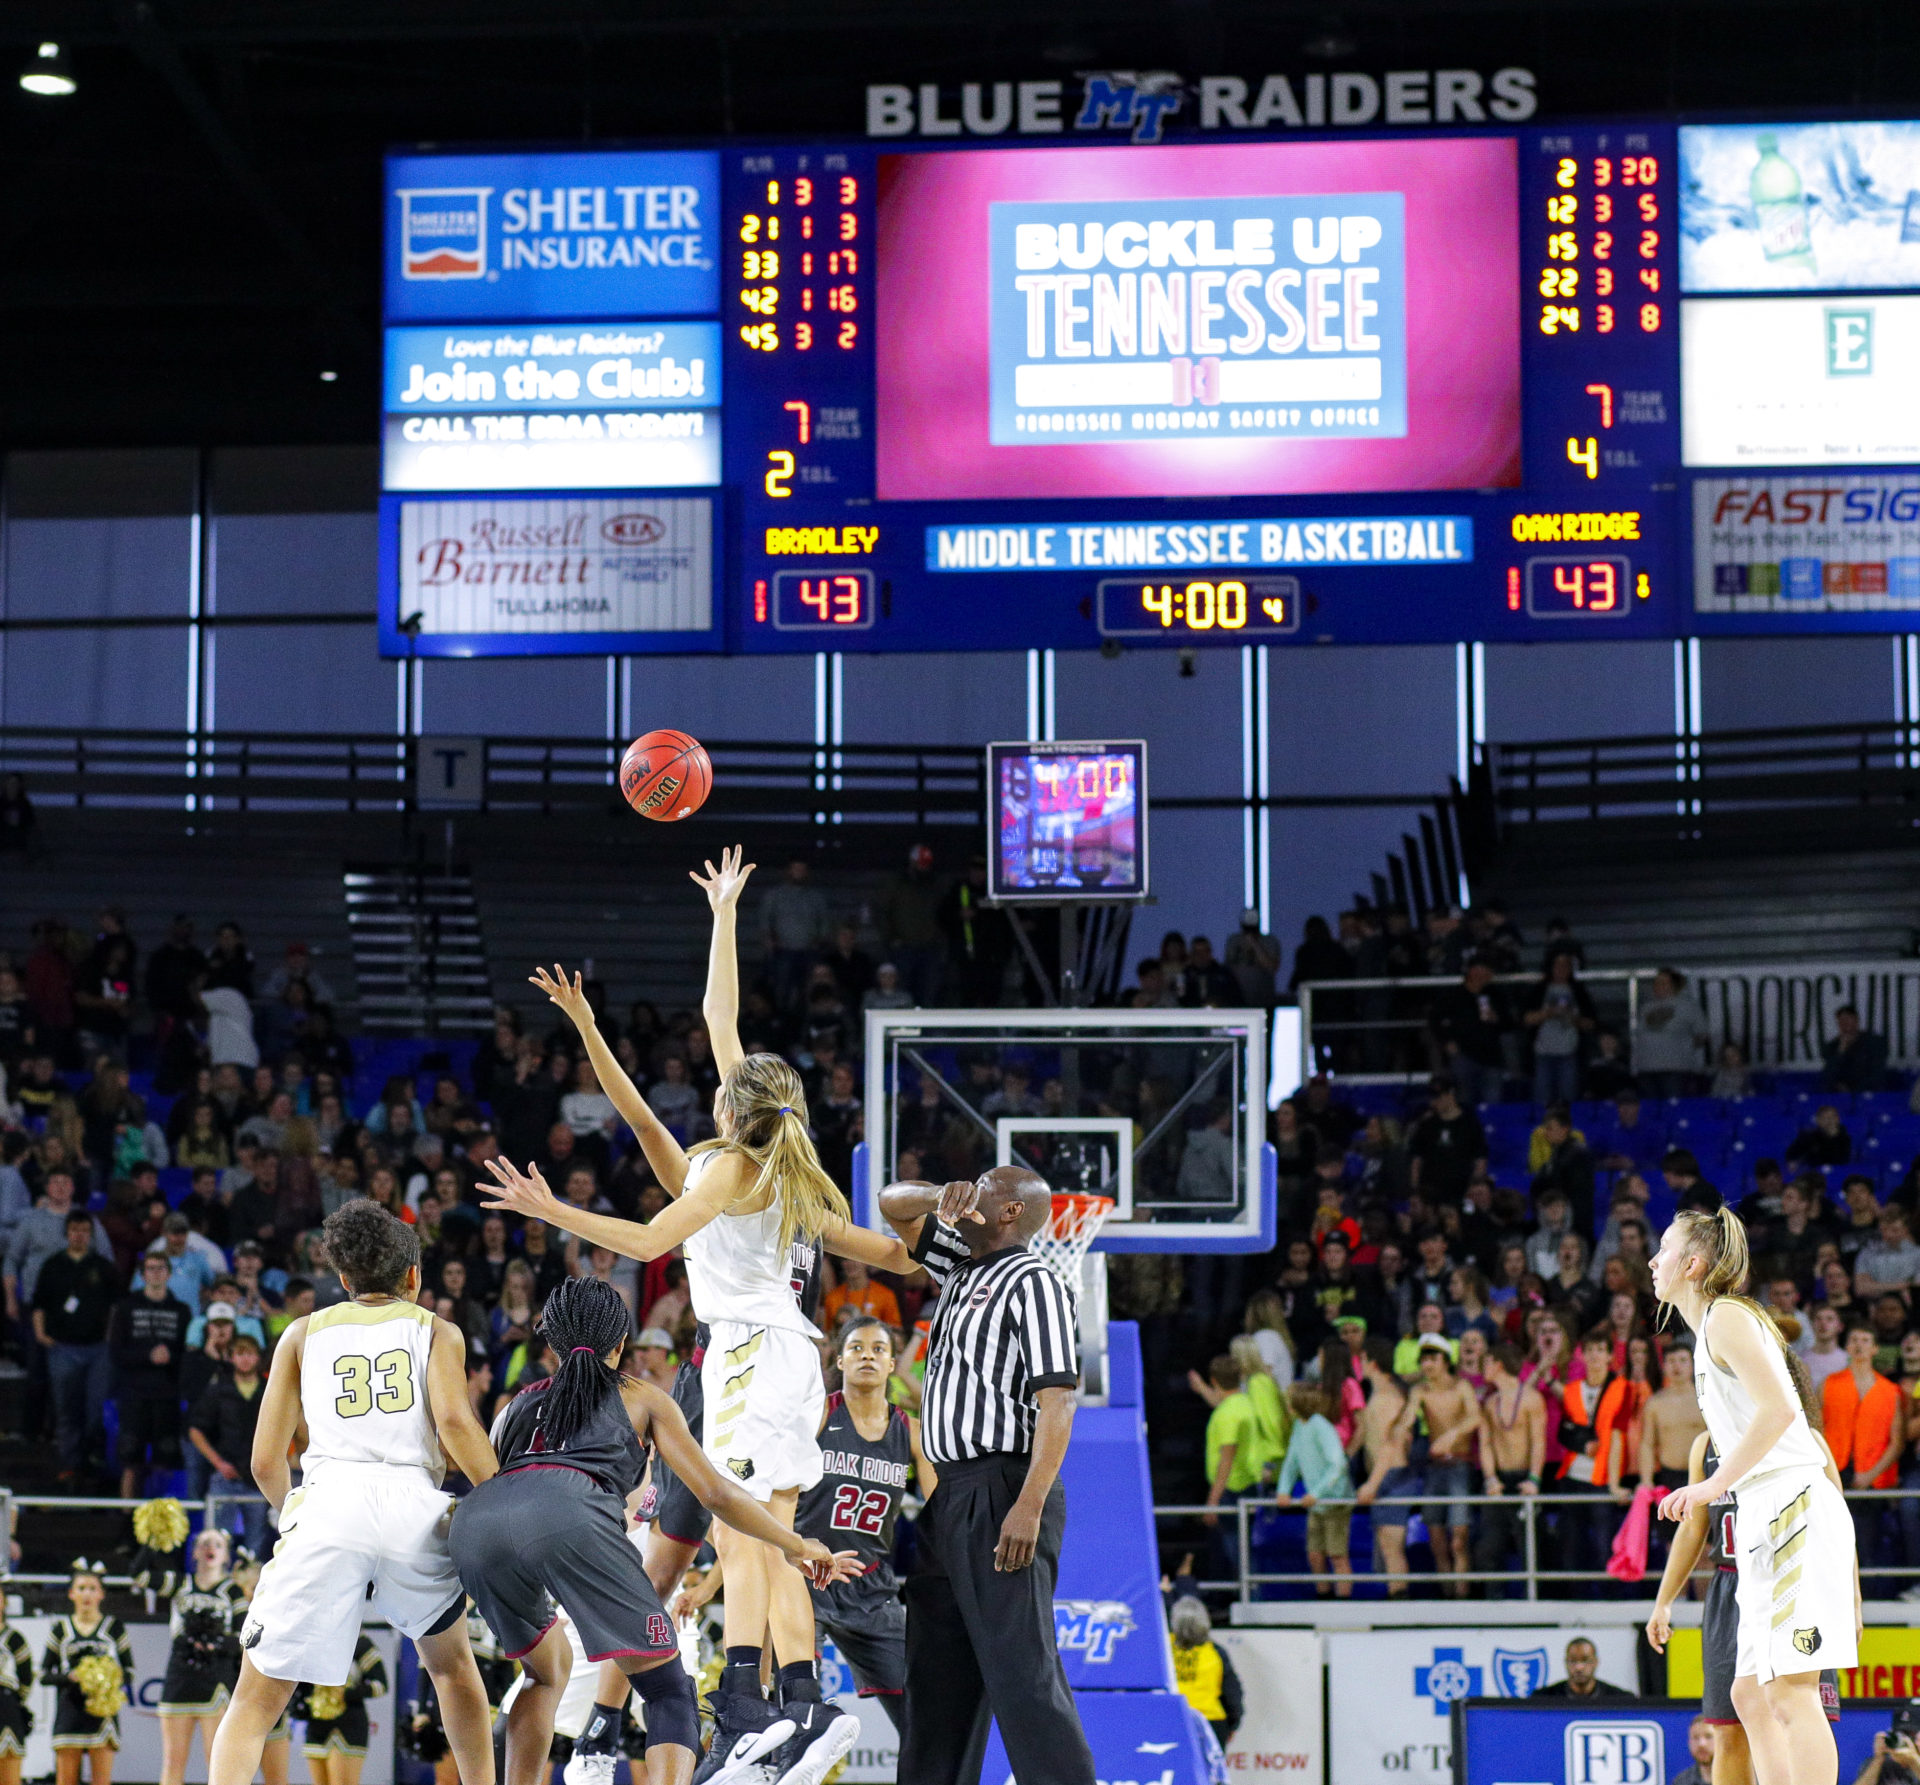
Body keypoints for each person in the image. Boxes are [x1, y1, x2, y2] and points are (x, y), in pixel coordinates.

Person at [485, 848, 916, 1785]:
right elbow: (684, 1067)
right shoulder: (781, 1168)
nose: (708, 1078)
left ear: (734, 1105)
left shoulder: (729, 1168)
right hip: (792, 1356)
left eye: (720, 1083)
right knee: (766, 1525)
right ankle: (782, 1704)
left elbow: (643, 1244)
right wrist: (722, 912)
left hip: (751, 1354)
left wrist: (553, 1208)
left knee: (741, 1529)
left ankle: (762, 1707)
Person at [449, 1276, 852, 1785]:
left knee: (543, 1674)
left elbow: (503, 1484)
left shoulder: (513, 1406)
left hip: (478, 1523)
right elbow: (718, 1495)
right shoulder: (641, 1396)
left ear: (550, 1341)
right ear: (621, 1345)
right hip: (569, 1514)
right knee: (668, 1690)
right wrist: (794, 1543)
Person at [204, 1202, 500, 1785]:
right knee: (452, 1670)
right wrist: (503, 1493)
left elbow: (265, 1458)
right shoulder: (436, 1330)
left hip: (330, 1501)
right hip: (415, 1506)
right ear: (413, 1276)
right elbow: (457, 1424)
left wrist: (293, 1512)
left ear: (342, 1279)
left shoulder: (301, 1333)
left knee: (254, 1702)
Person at [877, 1167, 1096, 1785]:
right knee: (937, 1676)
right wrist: (938, 1195)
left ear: (1010, 1213)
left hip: (1004, 1486)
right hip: (949, 1496)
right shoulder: (957, 1265)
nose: (974, 1186)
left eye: (986, 1184)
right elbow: (891, 1203)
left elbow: (1058, 1400)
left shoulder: (1035, 1281)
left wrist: (1027, 1506)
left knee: (1022, 1673)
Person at [1653, 1209, 1859, 1785]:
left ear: (1691, 1265)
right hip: (1764, 1516)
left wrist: (1713, 1484)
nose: (1652, 1260)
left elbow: (1782, 1410)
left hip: (1792, 1505)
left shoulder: (1726, 1318)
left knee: (1793, 1693)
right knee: (1747, 1693)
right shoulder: (1711, 1331)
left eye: (1663, 1249)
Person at [1647, 1429, 1851, 1785]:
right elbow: (1693, 1529)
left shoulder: (1803, 1437)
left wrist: (1854, 1601)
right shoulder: (1705, 1444)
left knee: (1798, 1705)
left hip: (1793, 1578)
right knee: (1728, 1725)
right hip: (1730, 1584)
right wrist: (1663, 1601)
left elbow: (1836, 1521)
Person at [788, 1317, 936, 1731]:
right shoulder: (818, 1414)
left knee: (925, 1718)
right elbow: (772, 1490)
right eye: (856, 1347)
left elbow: (942, 1513)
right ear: (840, 1359)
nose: (867, 1355)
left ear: (892, 1364)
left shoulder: (911, 1434)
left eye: (878, 1349)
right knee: (794, 1714)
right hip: (805, 1578)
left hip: (869, 1585)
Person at [35, 1209, 120, 1485]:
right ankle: (68, 1464)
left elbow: (115, 1307)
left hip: (97, 1349)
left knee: (95, 1410)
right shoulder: (52, 1265)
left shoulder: (103, 1266)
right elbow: (39, 1304)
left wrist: (108, 1336)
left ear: (91, 1235)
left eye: (84, 1230)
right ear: (67, 1233)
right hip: (62, 1348)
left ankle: (92, 1461)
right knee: (65, 1410)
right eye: (74, 1230)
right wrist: (41, 1334)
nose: (79, 1235)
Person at [156, 1529, 244, 1785]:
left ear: (225, 1555)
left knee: (215, 1762)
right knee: (173, 1763)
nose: (210, 1548)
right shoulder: (181, 1584)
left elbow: (244, 1638)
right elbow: (139, 1575)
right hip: (180, 1679)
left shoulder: (232, 1591)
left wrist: (213, 1643)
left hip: (216, 1681)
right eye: (204, 1543)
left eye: (217, 1544)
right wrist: (154, 1537)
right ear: (194, 1552)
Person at [1396, 1334, 1481, 1596]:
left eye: (1433, 1358)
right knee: (1436, 1539)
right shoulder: (1420, 1390)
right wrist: (1400, 1431)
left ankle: (1462, 1597)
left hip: (1460, 1466)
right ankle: (1447, 1596)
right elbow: (1409, 1415)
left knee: (1459, 1540)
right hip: (1435, 1468)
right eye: (1424, 1359)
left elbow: (1475, 1417)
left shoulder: (1462, 1387)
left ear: (1445, 1360)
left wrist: (1451, 1435)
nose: (1427, 1365)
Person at [42, 1560, 135, 1785]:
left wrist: (107, 1679)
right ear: (72, 1593)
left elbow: (129, 1672)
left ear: (101, 1594)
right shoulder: (60, 1630)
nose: (87, 1594)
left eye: (92, 1588)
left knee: (101, 1781)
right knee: (65, 1780)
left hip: (102, 1716)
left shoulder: (114, 1628)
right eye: (81, 1588)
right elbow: (44, 1674)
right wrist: (70, 1677)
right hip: (69, 1713)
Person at [112, 1252, 192, 1498]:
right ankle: (128, 1523)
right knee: (130, 1461)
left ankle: (164, 1523)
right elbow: (115, 1352)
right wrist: (148, 1355)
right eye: (150, 1268)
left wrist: (171, 1357)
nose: (155, 1273)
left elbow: (187, 1356)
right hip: (133, 1394)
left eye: (160, 1268)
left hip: (167, 1395)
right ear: (142, 1274)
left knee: (164, 1461)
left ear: (168, 1273)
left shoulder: (181, 1311)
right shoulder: (126, 1307)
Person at [187, 1333, 271, 1560]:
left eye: (250, 1354)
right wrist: (218, 1463)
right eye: (240, 1354)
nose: (245, 1359)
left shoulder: (269, 1389)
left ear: (258, 1358)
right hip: (225, 1476)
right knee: (216, 1543)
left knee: (256, 1548)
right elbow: (195, 1430)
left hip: (259, 1477)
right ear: (231, 1357)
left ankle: (252, 1592)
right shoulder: (218, 1390)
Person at [1475, 1343, 1547, 1589]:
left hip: (1525, 1478)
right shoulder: (1490, 1401)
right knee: (1489, 1546)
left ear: (1498, 1364)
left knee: (1530, 1546)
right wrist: (1490, 1477)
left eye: (1486, 1362)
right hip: (1500, 1480)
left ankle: (1538, 1604)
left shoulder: (1530, 1398)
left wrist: (1534, 1479)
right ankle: (1494, 1602)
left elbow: (1539, 1441)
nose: (1481, 1368)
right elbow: (1485, 1443)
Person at [1277, 1382, 1352, 1597]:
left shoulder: (1321, 1426)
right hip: (1316, 1503)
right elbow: (1291, 1462)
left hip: (1334, 1501)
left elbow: (1337, 1463)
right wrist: (1284, 1489)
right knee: (1315, 1554)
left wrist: (1316, 1493)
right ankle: (1324, 1596)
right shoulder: (1299, 1426)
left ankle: (1344, 1603)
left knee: (1337, 1555)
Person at [297, 1629, 388, 1785]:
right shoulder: (312, 1638)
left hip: (348, 1726)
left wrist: (345, 1693)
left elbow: (381, 1685)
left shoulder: (359, 1642)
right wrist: (300, 1702)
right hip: (316, 1725)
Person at [1167, 1595, 1243, 1754]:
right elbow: (1232, 1693)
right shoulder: (1215, 1652)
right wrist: (1233, 1724)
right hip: (1210, 1723)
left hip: (1171, 1719)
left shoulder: (1163, 1648)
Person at [1527, 1636, 1632, 1698]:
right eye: (1573, 1661)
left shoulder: (1619, 1698)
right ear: (1566, 1663)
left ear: (1595, 1662)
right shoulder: (1544, 1698)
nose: (1579, 1667)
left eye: (1585, 1660)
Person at [1823, 1006, 1890, 1096]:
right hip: (1840, 1094)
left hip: (1869, 1092)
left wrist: (1854, 1090)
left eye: (1848, 1019)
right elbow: (1829, 1074)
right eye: (1841, 1021)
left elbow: (1877, 1072)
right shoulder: (1832, 1046)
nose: (1844, 1023)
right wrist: (1841, 1051)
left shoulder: (1874, 1042)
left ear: (1856, 1020)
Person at [0, 1598, 32, 1785]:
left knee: (10, 1778)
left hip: (6, 1711)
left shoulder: (14, 1638)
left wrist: (13, 1701)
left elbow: (26, 1678)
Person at [1670, 1715, 1717, 1785]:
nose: (1702, 1744)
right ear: (1689, 1742)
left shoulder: (1736, 1777)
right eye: (1696, 1737)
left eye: (1708, 1736)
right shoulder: (1681, 1781)